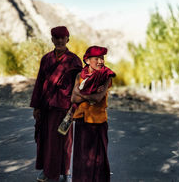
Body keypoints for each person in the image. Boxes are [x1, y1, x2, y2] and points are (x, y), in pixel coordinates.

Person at [30, 26, 82, 182]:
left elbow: (79, 87)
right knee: (46, 140)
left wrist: (74, 109)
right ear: (52, 39)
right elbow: (39, 82)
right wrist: (36, 106)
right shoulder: (46, 59)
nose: (59, 41)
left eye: (62, 38)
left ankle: (66, 172)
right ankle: (47, 171)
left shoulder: (74, 60)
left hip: (65, 108)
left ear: (68, 39)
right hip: (46, 107)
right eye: (56, 38)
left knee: (65, 141)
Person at [71, 45, 115, 182]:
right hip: (81, 121)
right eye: (97, 58)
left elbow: (97, 98)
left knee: (98, 159)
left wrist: (81, 93)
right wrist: (88, 94)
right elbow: (73, 98)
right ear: (87, 60)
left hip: (98, 122)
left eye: (102, 58)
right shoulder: (80, 75)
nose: (101, 61)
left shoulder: (106, 76)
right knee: (82, 157)